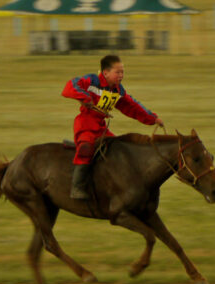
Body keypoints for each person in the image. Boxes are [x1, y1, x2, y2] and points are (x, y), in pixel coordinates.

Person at [61, 54, 163, 200]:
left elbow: (132, 106)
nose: (121, 75)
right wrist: (85, 97)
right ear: (105, 73)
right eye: (117, 72)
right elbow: (71, 85)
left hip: (101, 127)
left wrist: (153, 118)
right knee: (86, 149)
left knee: (118, 150)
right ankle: (77, 188)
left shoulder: (117, 90)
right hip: (85, 124)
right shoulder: (91, 81)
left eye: (122, 72)